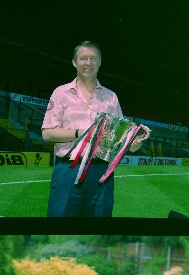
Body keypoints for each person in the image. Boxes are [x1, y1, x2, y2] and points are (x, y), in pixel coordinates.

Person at [41, 41, 146, 217]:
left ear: (100, 62)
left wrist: (131, 143)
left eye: (93, 59)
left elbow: (120, 136)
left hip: (101, 174)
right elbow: (47, 133)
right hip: (68, 170)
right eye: (83, 58)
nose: (88, 63)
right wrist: (81, 133)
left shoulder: (111, 97)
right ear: (74, 62)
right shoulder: (61, 93)